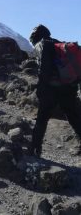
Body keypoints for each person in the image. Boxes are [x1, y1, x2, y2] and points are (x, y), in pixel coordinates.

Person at [29, 24, 81, 157]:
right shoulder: (59, 44)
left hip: (51, 88)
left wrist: (41, 89)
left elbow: (44, 69)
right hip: (68, 87)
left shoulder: (42, 44)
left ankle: (35, 149)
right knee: (73, 117)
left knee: (42, 118)